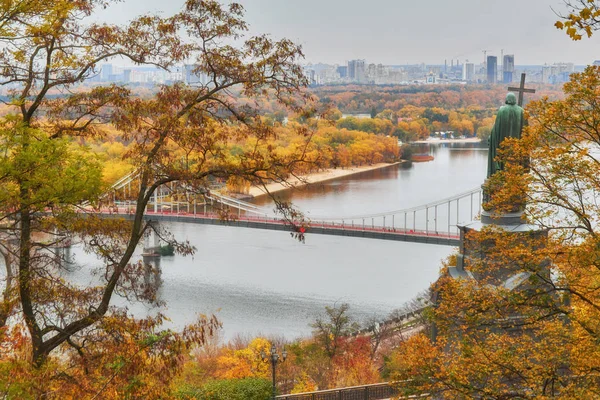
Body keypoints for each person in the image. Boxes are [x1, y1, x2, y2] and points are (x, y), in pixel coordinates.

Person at [487, 92, 525, 178]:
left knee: (503, 156)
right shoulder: (521, 111)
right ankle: (516, 173)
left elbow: (496, 128)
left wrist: (491, 137)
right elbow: (525, 129)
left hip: (503, 143)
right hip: (517, 144)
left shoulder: (502, 110)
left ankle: (501, 171)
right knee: (515, 158)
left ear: (507, 100)